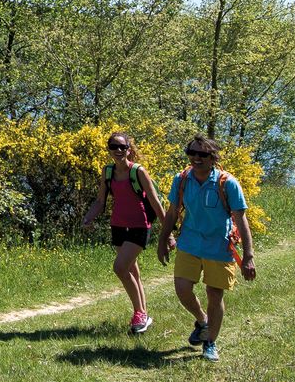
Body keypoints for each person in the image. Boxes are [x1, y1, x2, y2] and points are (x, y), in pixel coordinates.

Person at [155, 136, 256, 362]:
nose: (196, 158)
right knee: (182, 289)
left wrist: (248, 255)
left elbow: (241, 220)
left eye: (202, 154)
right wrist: (163, 240)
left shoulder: (227, 183)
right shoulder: (181, 180)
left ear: (213, 158)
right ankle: (203, 322)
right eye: (191, 153)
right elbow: (172, 212)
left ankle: (210, 341)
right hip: (189, 243)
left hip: (219, 246)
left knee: (214, 293)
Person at [80, 132, 166, 334]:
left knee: (120, 267)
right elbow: (101, 201)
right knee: (132, 271)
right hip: (118, 226)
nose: (118, 150)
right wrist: (88, 218)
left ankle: (139, 313)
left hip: (139, 226)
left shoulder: (138, 172)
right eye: (113, 146)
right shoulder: (107, 172)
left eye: (122, 147)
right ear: (109, 149)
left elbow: (155, 201)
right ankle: (143, 314)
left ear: (129, 149)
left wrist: (167, 232)